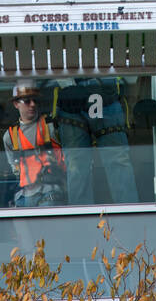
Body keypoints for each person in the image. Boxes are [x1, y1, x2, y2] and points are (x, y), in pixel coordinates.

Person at [52, 77, 138, 205]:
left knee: (115, 161)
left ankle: (130, 212)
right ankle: (81, 218)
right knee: (77, 166)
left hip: (103, 93)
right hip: (75, 100)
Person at [3, 80, 66, 207]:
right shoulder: (10, 136)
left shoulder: (51, 126)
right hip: (24, 195)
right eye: (27, 101)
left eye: (35, 101)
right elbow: (15, 169)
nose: (32, 105)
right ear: (16, 104)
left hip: (51, 191)